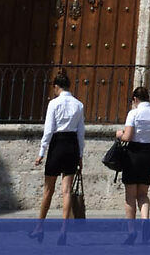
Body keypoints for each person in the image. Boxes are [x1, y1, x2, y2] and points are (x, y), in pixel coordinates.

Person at [35, 71, 87, 241]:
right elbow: (81, 132)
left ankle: (39, 227)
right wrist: (80, 154)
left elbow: (49, 129)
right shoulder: (78, 105)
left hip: (57, 144)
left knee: (48, 190)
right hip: (72, 145)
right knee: (66, 191)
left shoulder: (54, 104)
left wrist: (42, 152)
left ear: (56, 86)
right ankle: (63, 230)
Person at [116, 83, 150, 239]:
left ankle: (131, 231)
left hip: (134, 153)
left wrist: (118, 134)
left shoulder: (133, 113)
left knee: (130, 195)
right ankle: (145, 220)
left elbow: (127, 136)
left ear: (135, 99)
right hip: (149, 154)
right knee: (143, 193)